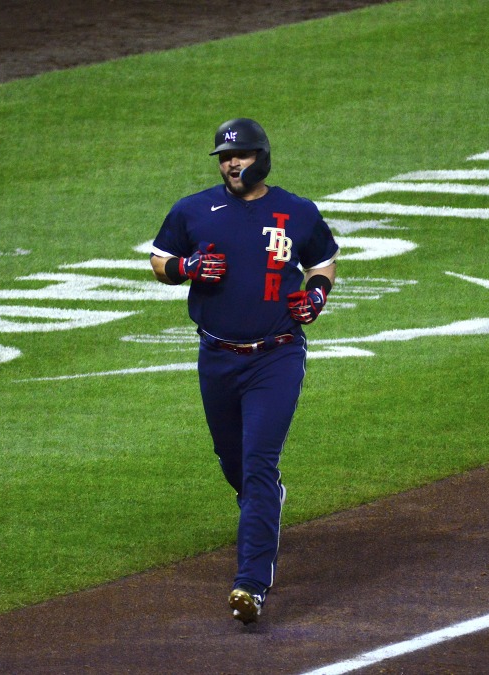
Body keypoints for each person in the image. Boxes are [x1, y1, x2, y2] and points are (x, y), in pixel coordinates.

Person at [150, 118, 339, 622]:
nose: (232, 163)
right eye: (225, 157)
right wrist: (185, 269)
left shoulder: (296, 212)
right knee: (232, 460)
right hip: (216, 357)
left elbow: (323, 261)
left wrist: (317, 294)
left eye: (242, 155)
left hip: (276, 356)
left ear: (263, 156)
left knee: (258, 463)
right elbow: (161, 258)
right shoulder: (194, 210)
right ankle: (264, 502)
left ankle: (250, 585)